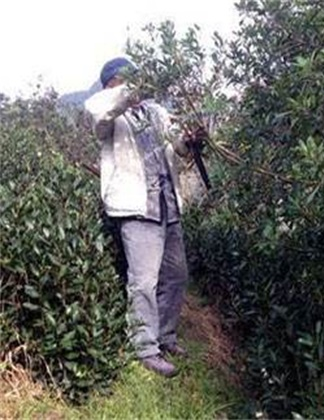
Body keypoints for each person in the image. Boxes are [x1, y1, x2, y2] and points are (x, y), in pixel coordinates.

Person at [85, 57, 203, 377]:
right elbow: (99, 110)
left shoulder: (156, 111)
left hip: (167, 206)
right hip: (137, 210)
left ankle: (165, 336)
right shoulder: (106, 112)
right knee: (144, 283)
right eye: (121, 80)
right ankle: (144, 348)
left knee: (177, 276)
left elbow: (176, 146)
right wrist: (132, 87)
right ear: (111, 84)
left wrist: (190, 141)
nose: (129, 86)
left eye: (132, 79)